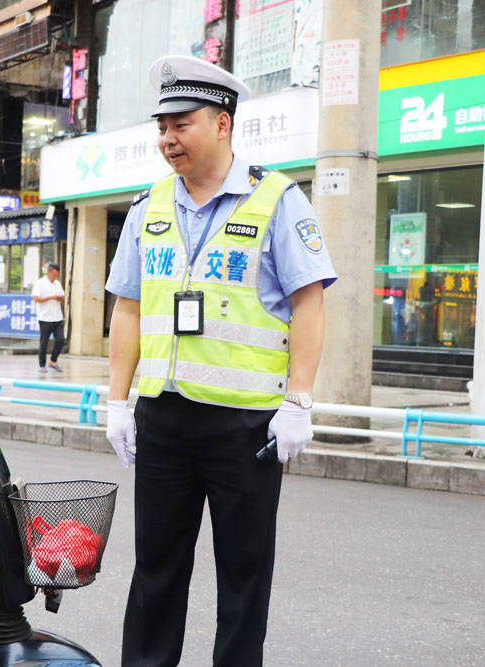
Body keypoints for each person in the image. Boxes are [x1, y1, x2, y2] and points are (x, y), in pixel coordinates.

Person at [104, 55, 336, 666]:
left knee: (243, 575)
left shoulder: (278, 199)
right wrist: (116, 402)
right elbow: (127, 309)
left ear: (223, 123)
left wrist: (299, 403)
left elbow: (309, 305)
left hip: (246, 427)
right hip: (163, 419)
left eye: (181, 124)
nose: (167, 139)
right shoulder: (147, 205)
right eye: (161, 127)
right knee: (155, 572)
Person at [32, 262, 65, 372]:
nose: (55, 277)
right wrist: (51, 297)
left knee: (60, 339)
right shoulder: (40, 283)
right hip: (45, 318)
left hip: (58, 317)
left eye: (57, 275)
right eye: (54, 274)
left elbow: (62, 298)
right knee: (44, 342)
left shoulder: (57, 283)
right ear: (49, 272)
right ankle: (42, 365)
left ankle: (53, 361)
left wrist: (58, 298)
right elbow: (36, 299)